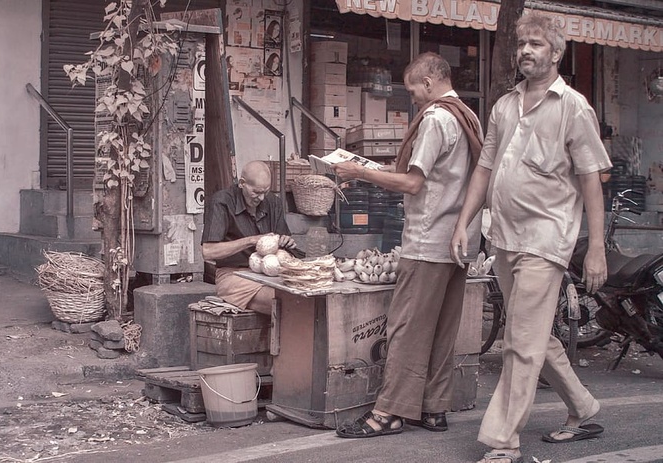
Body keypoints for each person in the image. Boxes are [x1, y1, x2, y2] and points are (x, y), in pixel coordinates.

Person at [450, 14, 612, 463]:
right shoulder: (504, 106)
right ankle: (582, 407)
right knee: (535, 334)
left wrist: (595, 247)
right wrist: (465, 222)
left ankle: (503, 443)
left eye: (536, 44)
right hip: (503, 236)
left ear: (555, 53)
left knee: (519, 340)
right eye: (522, 43)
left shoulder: (574, 107)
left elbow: (592, 181)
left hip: (546, 238)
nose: (525, 50)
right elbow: (485, 168)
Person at [333, 51, 484, 438]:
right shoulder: (468, 116)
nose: (412, 98)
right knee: (441, 330)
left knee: (406, 329)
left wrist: (359, 172)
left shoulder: (435, 119)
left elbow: (414, 183)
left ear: (429, 82)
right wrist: (368, 167)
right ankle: (434, 409)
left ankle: (387, 414)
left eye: (413, 89)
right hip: (460, 240)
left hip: (429, 240)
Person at [201, 161, 297, 314]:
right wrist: (251, 240)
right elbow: (208, 251)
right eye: (256, 192)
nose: (261, 198)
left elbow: (282, 239)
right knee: (282, 301)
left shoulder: (272, 202)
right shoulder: (222, 202)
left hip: (268, 273)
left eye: (265, 192)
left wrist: (286, 242)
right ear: (242, 183)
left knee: (300, 297)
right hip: (232, 275)